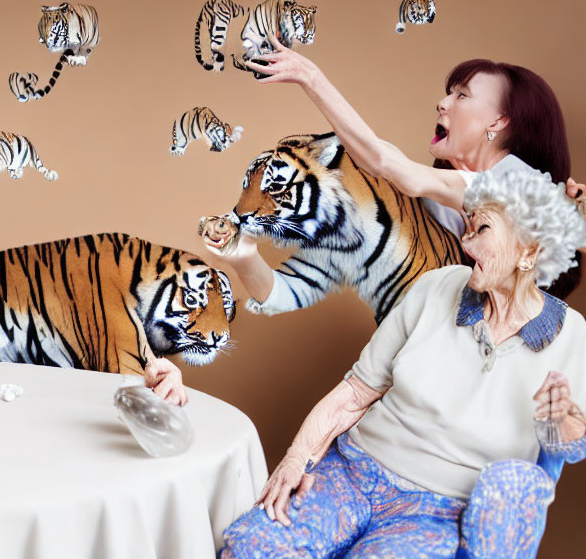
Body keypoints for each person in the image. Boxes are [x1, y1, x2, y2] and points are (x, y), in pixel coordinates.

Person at [220, 168, 586, 558]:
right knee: (250, 548)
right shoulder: (438, 285)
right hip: (351, 473)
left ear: (529, 251)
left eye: (482, 231)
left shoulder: (572, 335)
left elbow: (571, 446)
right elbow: (356, 392)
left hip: (436, 511)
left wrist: (560, 420)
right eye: (469, 226)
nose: (466, 241)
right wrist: (297, 458)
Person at [208, 46, 585, 303]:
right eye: (448, 93)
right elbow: (380, 156)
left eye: (462, 96)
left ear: (498, 122)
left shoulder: (514, 183)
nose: (443, 102)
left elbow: (387, 162)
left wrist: (311, 77)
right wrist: (244, 259)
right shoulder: (433, 201)